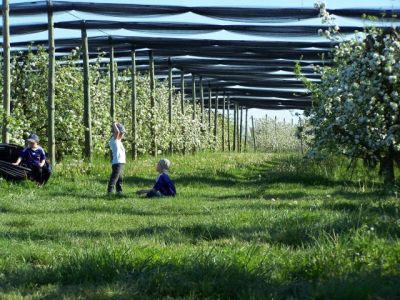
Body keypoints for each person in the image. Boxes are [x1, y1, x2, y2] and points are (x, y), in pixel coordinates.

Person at [107, 121, 126, 195]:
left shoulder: (119, 141)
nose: (122, 134)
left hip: (121, 162)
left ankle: (119, 191)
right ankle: (110, 191)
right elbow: (117, 132)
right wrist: (114, 124)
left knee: (120, 178)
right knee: (115, 177)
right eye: (122, 133)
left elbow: (119, 133)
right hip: (117, 162)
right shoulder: (113, 141)